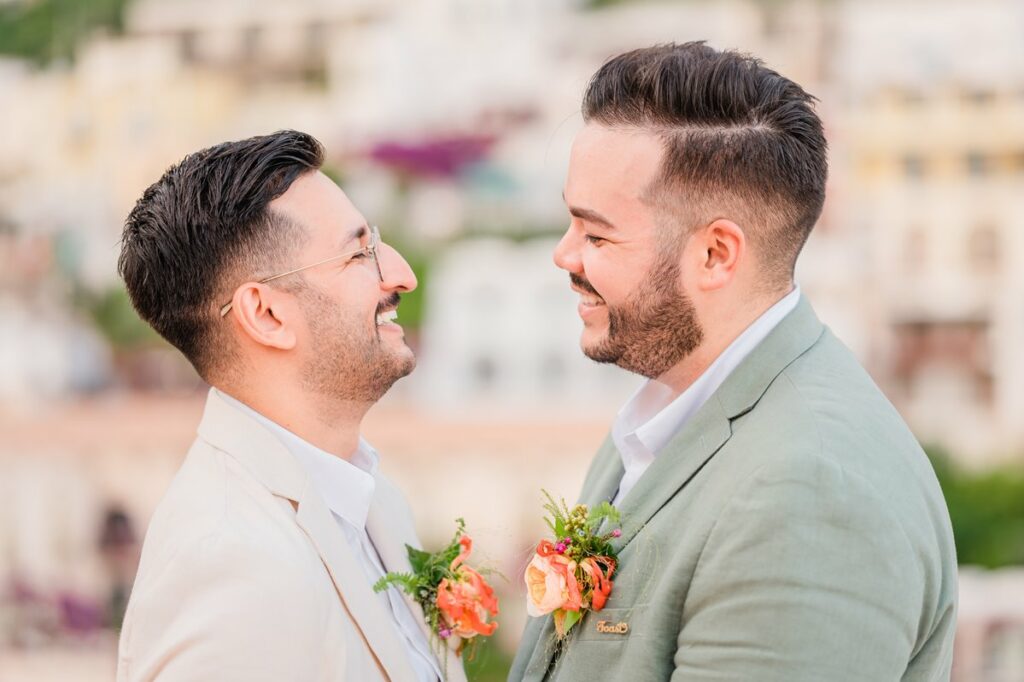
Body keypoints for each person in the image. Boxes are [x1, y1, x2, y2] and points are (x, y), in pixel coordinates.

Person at [511, 42, 957, 681]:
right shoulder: (666, 414)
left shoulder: (808, 495)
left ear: (716, 254)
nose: (564, 256)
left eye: (596, 234)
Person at [116, 130, 462, 681]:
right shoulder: (231, 562)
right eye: (358, 254)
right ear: (266, 315)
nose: (400, 274)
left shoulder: (371, 499)